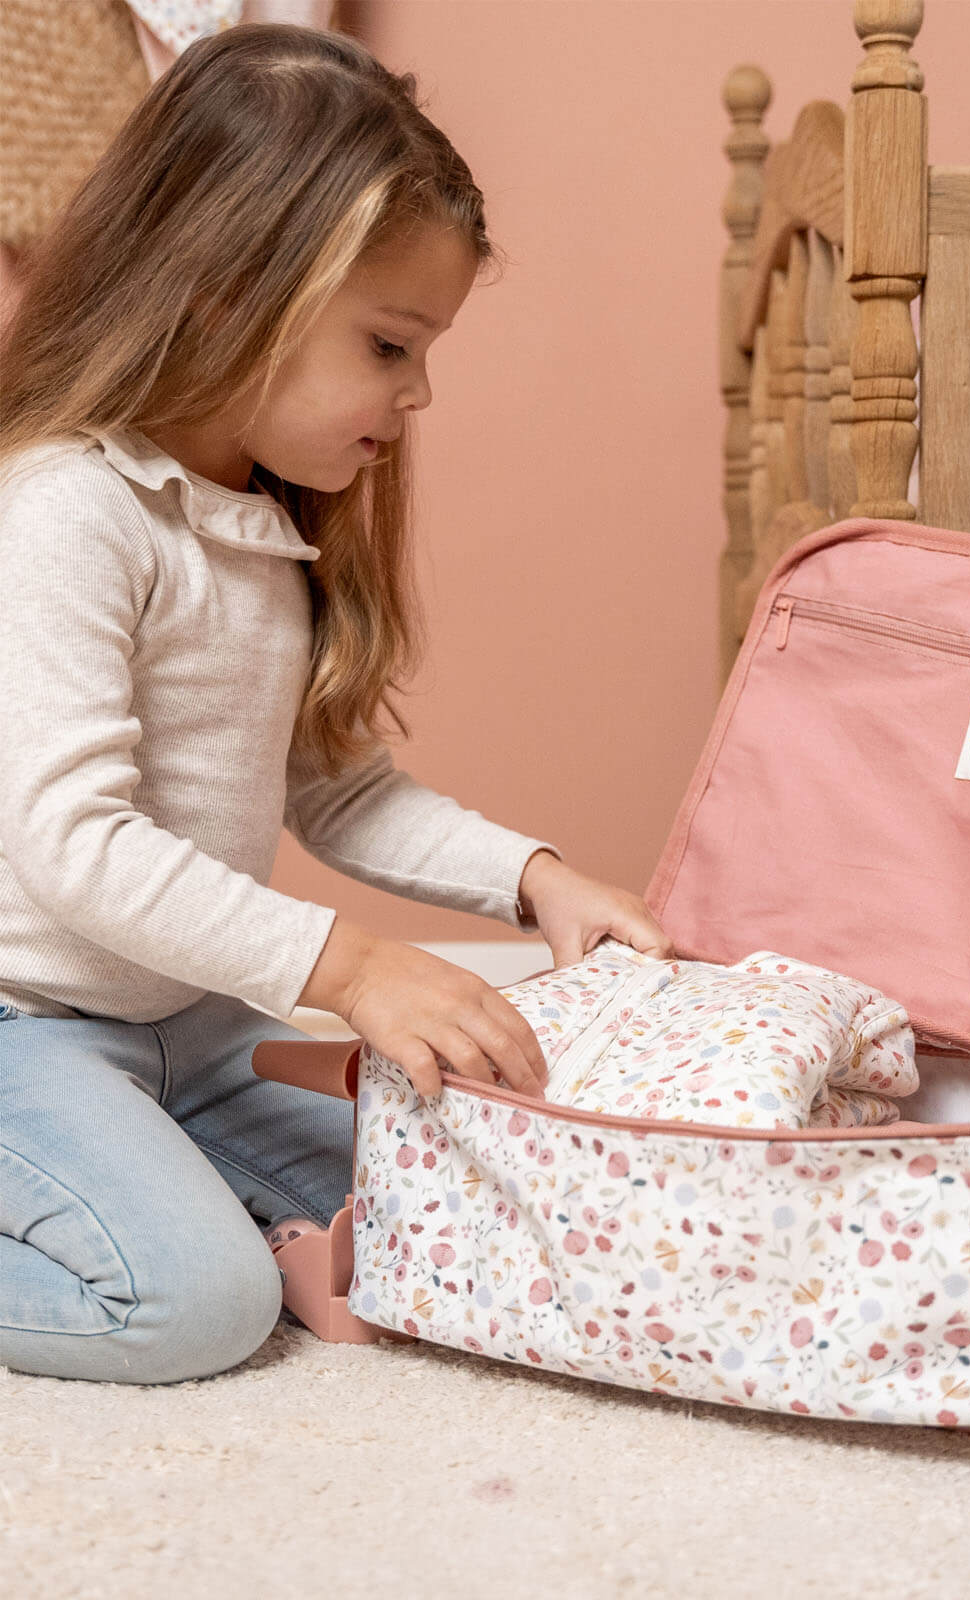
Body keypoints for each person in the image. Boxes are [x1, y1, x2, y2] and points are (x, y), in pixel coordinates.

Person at [0, 22, 672, 1385]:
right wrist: (354, 967)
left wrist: (530, 877)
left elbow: (335, 789)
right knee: (195, 1309)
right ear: (223, 293)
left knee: (460, 1177)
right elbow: (76, 847)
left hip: (183, 1019)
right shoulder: (71, 511)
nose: (417, 392)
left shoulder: (259, 525)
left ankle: (178, 1180)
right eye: (388, 344)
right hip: (27, 1024)